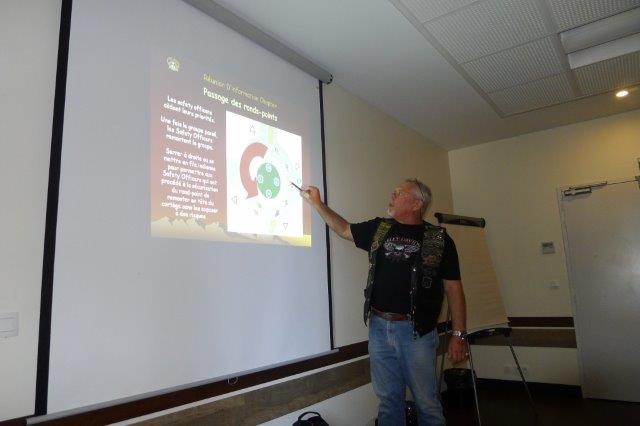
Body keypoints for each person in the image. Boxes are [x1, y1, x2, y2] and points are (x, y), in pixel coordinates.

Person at [300, 178, 468, 426]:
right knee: (388, 401)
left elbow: (453, 288)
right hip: (379, 328)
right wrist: (318, 204)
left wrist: (459, 334)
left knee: (427, 404)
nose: (392, 194)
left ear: (417, 204)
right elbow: (344, 229)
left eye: (399, 192)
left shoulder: (439, 239)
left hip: (417, 332)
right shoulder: (380, 228)